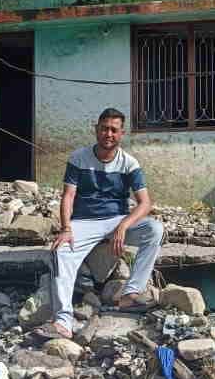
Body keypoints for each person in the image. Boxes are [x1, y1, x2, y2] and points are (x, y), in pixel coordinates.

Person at [33, 108, 164, 340]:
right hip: (85, 221)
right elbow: (68, 196)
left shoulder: (129, 163)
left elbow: (145, 203)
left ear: (121, 134)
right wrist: (65, 228)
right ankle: (63, 321)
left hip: (116, 220)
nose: (108, 134)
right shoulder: (79, 158)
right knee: (60, 251)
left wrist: (123, 226)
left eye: (114, 130)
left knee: (155, 229)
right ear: (96, 130)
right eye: (104, 128)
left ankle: (130, 294)